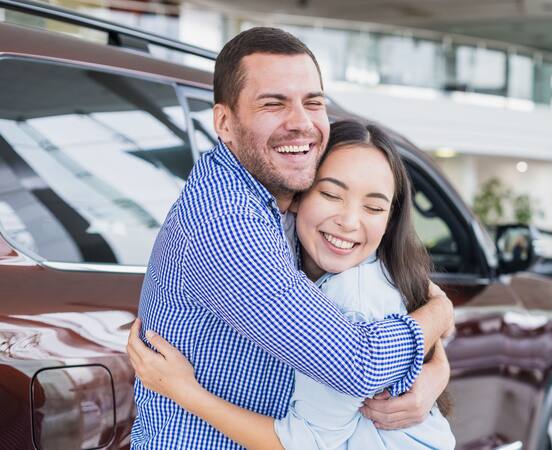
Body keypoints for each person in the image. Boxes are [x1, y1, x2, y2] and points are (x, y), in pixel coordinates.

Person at [131, 27, 454, 449]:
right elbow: (356, 363)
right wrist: (440, 314)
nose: (300, 122)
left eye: (313, 103)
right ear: (224, 122)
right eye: (273, 103)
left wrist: (434, 373)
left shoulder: (277, 195)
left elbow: (403, 292)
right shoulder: (228, 224)